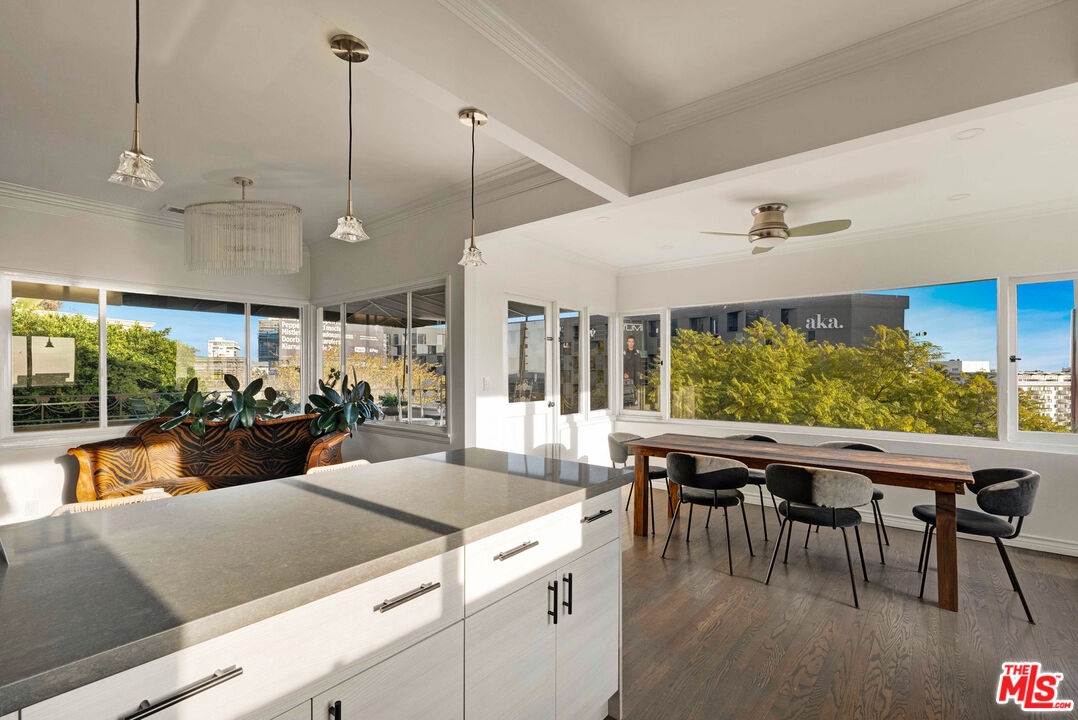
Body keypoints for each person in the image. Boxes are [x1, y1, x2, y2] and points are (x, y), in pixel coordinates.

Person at [623, 336, 643, 407]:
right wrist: (624, 373)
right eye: (629, 341)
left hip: (636, 373)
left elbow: (640, 364)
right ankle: (628, 401)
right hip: (628, 374)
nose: (631, 343)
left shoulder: (637, 352)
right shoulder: (624, 353)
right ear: (627, 342)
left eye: (632, 342)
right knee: (629, 388)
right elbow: (623, 364)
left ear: (634, 343)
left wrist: (641, 374)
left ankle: (636, 401)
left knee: (637, 387)